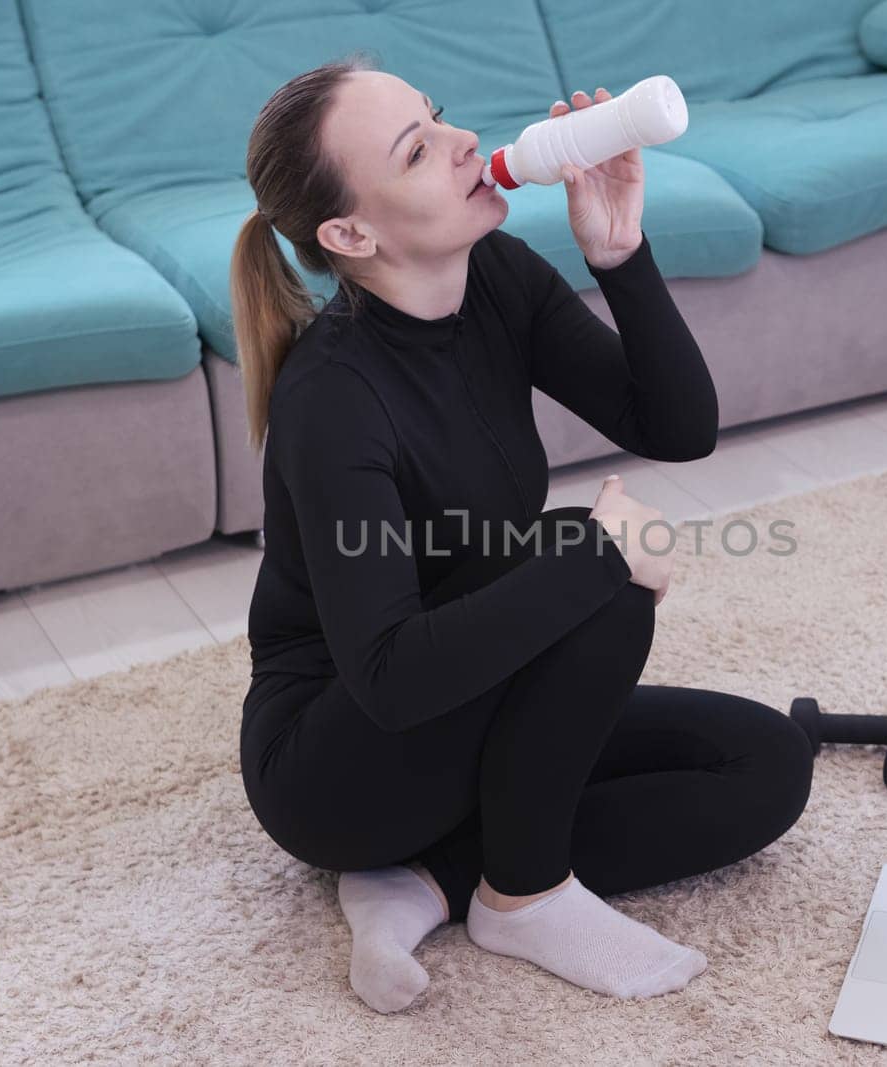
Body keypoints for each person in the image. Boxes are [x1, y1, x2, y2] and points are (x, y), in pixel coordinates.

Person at [227, 55, 816, 1014]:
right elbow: (388, 673)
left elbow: (676, 427)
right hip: (338, 761)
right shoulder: (332, 400)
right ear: (350, 232)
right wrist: (598, 555)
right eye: (418, 150)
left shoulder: (495, 273)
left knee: (764, 765)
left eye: (439, 117)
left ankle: (424, 882)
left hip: (478, 693)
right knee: (590, 561)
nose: (463, 143)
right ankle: (526, 893)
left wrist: (620, 253)